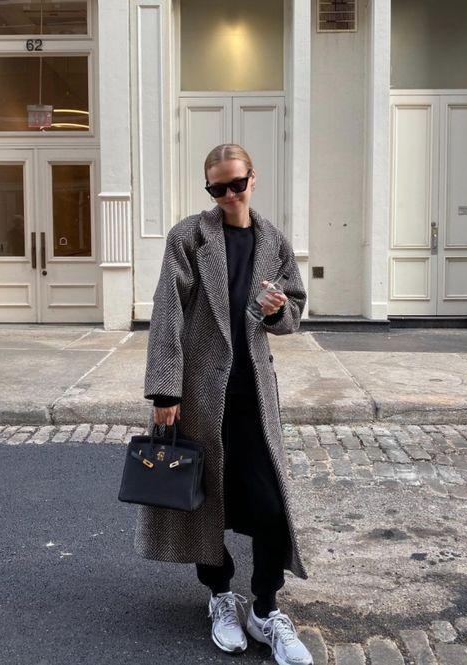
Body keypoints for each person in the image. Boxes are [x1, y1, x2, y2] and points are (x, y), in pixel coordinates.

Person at [135, 143, 313, 665]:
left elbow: (294, 312)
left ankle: (265, 607)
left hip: (254, 393)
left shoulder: (274, 241)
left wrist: (277, 311)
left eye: (237, 184)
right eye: (219, 188)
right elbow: (167, 312)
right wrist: (165, 390)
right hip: (199, 392)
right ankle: (219, 596)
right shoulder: (189, 237)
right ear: (209, 189)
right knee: (205, 497)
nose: (230, 195)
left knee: (269, 504)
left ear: (253, 179)